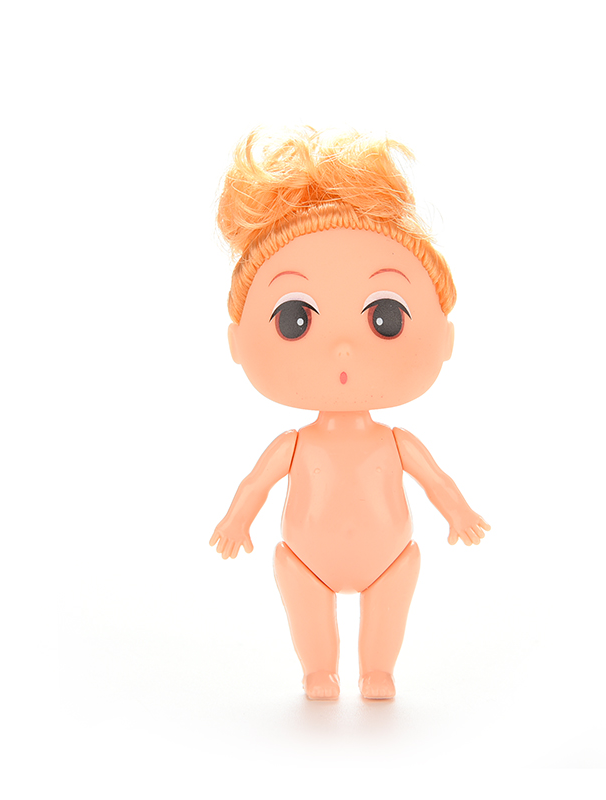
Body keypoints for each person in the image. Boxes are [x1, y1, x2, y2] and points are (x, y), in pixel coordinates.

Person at [210, 128, 490, 700]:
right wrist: (236, 520)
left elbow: (436, 480)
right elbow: (255, 484)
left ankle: (377, 670)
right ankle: (319, 670)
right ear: (237, 343)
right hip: (305, 560)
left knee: (393, 592)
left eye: (385, 317)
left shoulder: (396, 441)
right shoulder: (293, 445)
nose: (342, 349)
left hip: (390, 558)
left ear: (445, 339)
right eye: (296, 320)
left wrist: (458, 512)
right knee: (304, 597)